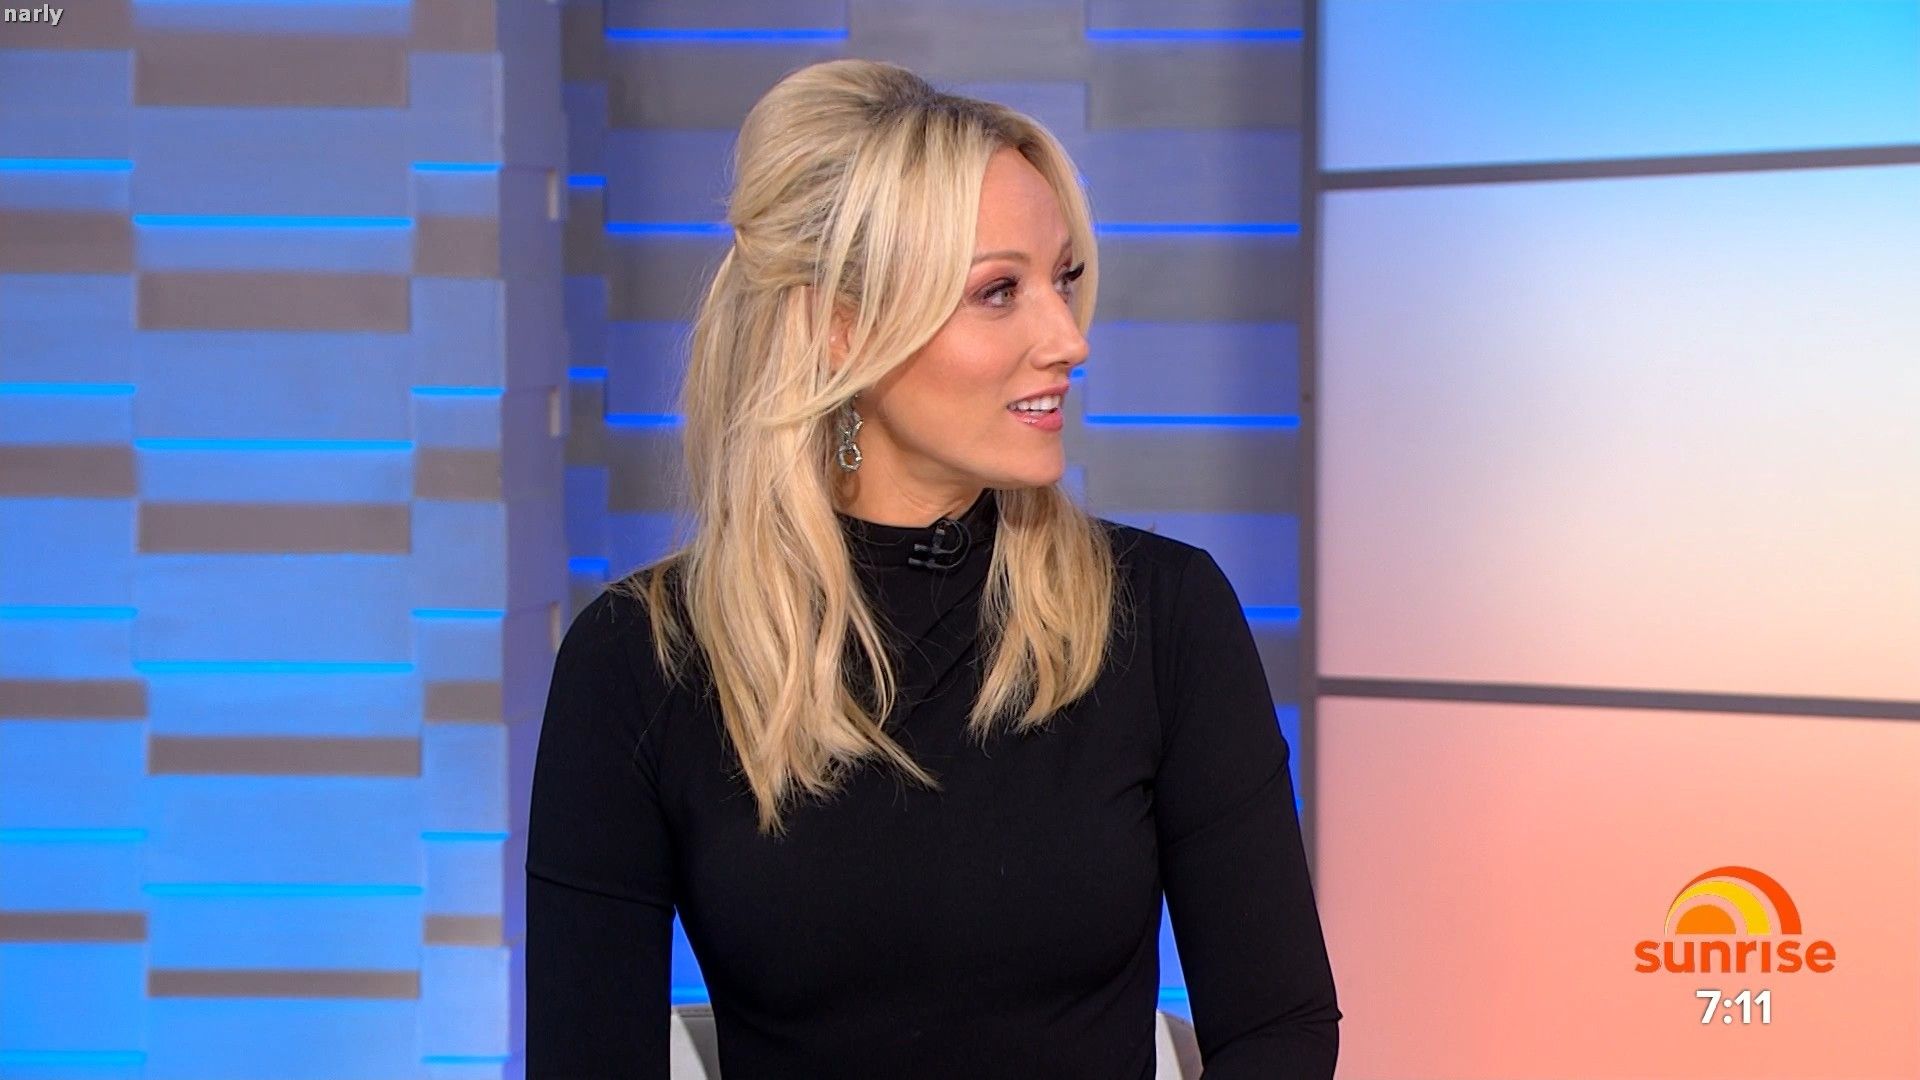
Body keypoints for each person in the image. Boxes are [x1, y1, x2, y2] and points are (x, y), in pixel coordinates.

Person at [524, 58, 1339, 1079]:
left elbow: (1280, 1028)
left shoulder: (1165, 617)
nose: (1069, 339)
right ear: (841, 328)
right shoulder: (639, 661)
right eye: (999, 291)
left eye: (1065, 279)